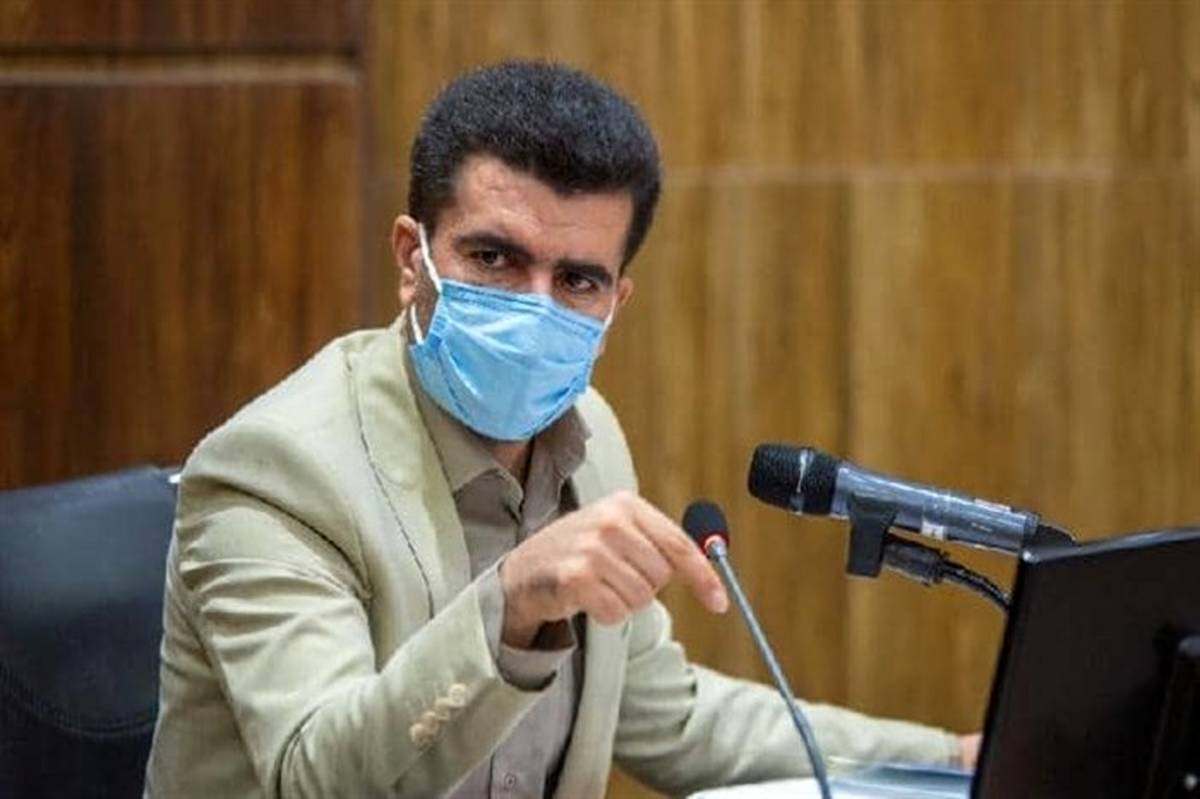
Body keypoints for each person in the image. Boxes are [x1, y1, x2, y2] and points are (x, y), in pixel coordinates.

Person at [145, 60, 975, 798]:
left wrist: (950, 759)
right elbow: (314, 774)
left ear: (616, 301)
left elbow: (670, 714)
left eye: (577, 278)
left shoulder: (590, 438)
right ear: (411, 258)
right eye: (494, 258)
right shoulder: (279, 471)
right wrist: (510, 605)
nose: (534, 306)